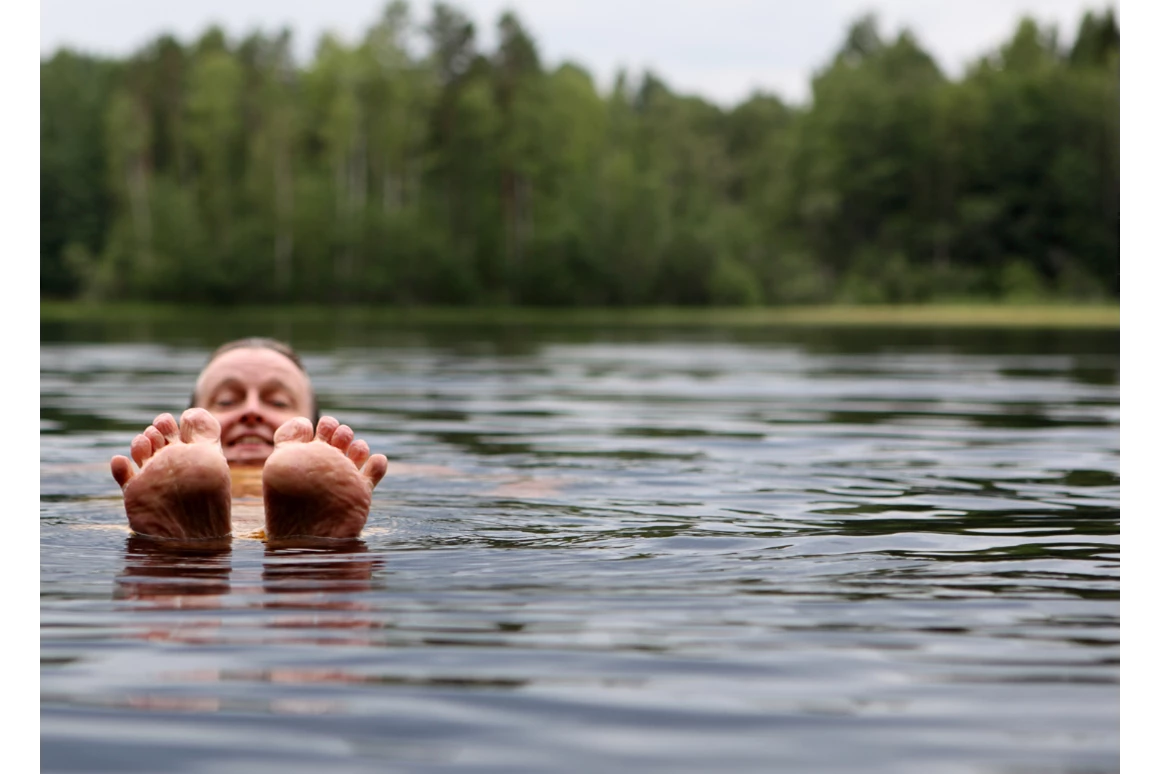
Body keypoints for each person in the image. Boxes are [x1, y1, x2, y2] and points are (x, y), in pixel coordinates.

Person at [110, 338, 389, 542]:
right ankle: (308, 546)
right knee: (315, 557)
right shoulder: (395, 476)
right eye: (226, 401)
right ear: (188, 427)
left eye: (278, 402)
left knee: (126, 528)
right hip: (297, 545)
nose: (252, 410)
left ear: (315, 427)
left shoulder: (121, 478)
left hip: (187, 536)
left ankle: (184, 548)